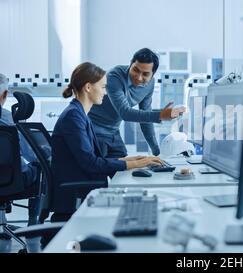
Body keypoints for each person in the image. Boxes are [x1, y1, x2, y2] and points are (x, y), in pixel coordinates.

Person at [51, 62, 162, 219]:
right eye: (103, 87)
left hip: (85, 188)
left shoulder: (79, 114)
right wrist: (136, 164)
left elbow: (96, 159)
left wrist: (136, 159)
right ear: (88, 87)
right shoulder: (73, 117)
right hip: (76, 196)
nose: (105, 93)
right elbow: (91, 163)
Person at [88, 48, 186, 158]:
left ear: (152, 75)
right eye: (135, 70)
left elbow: (145, 118)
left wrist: (157, 152)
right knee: (103, 170)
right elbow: (125, 113)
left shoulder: (150, 84)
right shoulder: (114, 76)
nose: (139, 77)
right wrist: (160, 115)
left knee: (123, 169)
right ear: (130, 64)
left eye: (145, 74)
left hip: (113, 131)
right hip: (93, 130)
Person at [0, 73, 40, 226]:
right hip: (12, 180)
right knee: (39, 167)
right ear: (4, 94)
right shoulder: (8, 119)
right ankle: (33, 225)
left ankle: (2, 223)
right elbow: (32, 155)